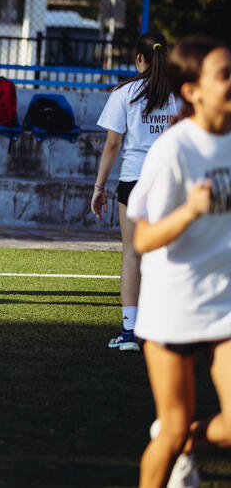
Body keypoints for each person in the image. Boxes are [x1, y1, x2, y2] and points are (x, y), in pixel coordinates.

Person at [127, 37, 231, 487]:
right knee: (168, 432)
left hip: (225, 301)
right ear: (193, 90)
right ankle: (177, 442)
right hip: (173, 306)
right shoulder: (174, 149)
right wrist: (190, 210)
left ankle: (188, 442)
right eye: (224, 74)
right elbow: (143, 238)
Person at [91, 32, 178, 351]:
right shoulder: (179, 94)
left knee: (132, 253)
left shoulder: (124, 92)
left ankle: (131, 334)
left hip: (134, 181)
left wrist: (99, 187)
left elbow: (113, 144)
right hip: (169, 181)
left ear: (139, 58)